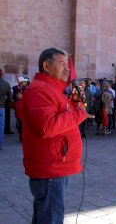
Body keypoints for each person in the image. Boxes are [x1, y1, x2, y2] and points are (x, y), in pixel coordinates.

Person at [22, 48, 87, 224]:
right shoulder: (40, 91)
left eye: (68, 64)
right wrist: (79, 113)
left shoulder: (53, 90)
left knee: (46, 216)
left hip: (55, 166)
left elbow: (60, 114)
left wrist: (74, 103)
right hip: (50, 169)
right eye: (62, 63)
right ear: (46, 66)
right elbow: (47, 126)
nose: (67, 68)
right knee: (51, 218)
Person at [0, 68, 13, 148]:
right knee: (1, 126)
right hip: (1, 108)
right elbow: (10, 99)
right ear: (2, 74)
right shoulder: (6, 84)